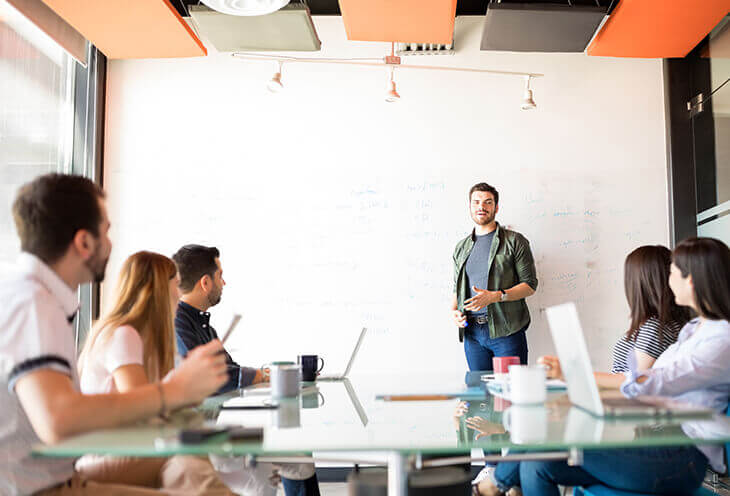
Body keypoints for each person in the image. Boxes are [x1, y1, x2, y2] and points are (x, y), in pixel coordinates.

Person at [0, 174, 228, 495]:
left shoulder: (30, 297)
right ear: (83, 242)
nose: (110, 244)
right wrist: (174, 390)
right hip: (44, 488)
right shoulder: (32, 303)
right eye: (106, 232)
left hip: (58, 477)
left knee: (191, 468)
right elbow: (57, 420)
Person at [494, 237, 730, 496]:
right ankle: (496, 485)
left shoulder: (721, 339)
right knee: (539, 464)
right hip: (660, 447)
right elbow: (648, 387)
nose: (668, 280)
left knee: (542, 449)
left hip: (680, 458)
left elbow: (654, 382)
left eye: (672, 273)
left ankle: (493, 486)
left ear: (691, 281)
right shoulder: (693, 330)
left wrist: (573, 375)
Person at [75, 251, 236, 494]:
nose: (179, 294)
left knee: (190, 469)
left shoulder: (135, 336)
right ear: (159, 290)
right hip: (108, 454)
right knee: (189, 459)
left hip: (131, 447)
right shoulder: (123, 335)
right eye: (175, 284)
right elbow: (142, 407)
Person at [172, 244, 321, 496]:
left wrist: (264, 376)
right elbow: (214, 377)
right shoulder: (178, 322)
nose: (224, 282)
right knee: (294, 458)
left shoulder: (202, 325)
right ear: (205, 282)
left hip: (211, 429)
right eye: (220, 276)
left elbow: (231, 371)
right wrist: (262, 376)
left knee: (297, 452)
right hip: (195, 438)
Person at [539, 245, 689, 389]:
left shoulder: (655, 328)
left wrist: (572, 374)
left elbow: (636, 382)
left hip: (627, 402)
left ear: (637, 283)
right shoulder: (662, 324)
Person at [451, 182, 538, 371]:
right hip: (472, 334)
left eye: (488, 202)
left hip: (507, 332)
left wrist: (495, 296)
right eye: (476, 202)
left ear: (496, 208)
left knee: (511, 394)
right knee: (480, 397)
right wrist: (454, 312)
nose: (481, 207)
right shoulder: (461, 247)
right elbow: (456, 289)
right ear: (470, 206)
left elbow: (530, 285)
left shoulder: (515, 241)